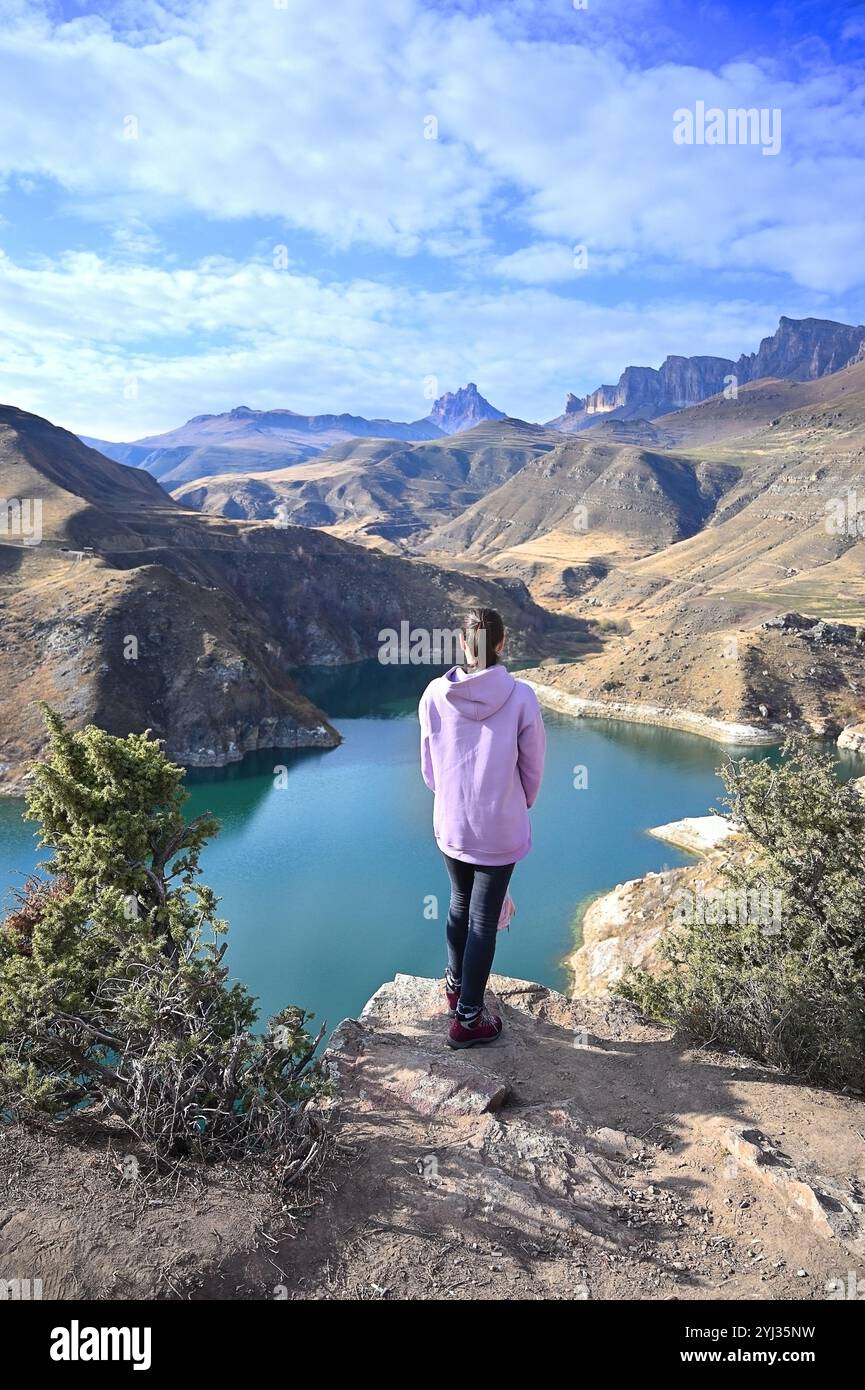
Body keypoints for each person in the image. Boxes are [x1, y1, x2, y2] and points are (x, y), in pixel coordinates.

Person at [418, 608, 546, 1048]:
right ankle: (469, 1019)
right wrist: (515, 804)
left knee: (459, 903)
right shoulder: (522, 696)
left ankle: (456, 987)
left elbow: (429, 768)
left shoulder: (434, 694)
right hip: (500, 826)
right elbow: (533, 770)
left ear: (462, 643)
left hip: (451, 821)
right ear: (502, 642)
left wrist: (451, 798)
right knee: (484, 918)